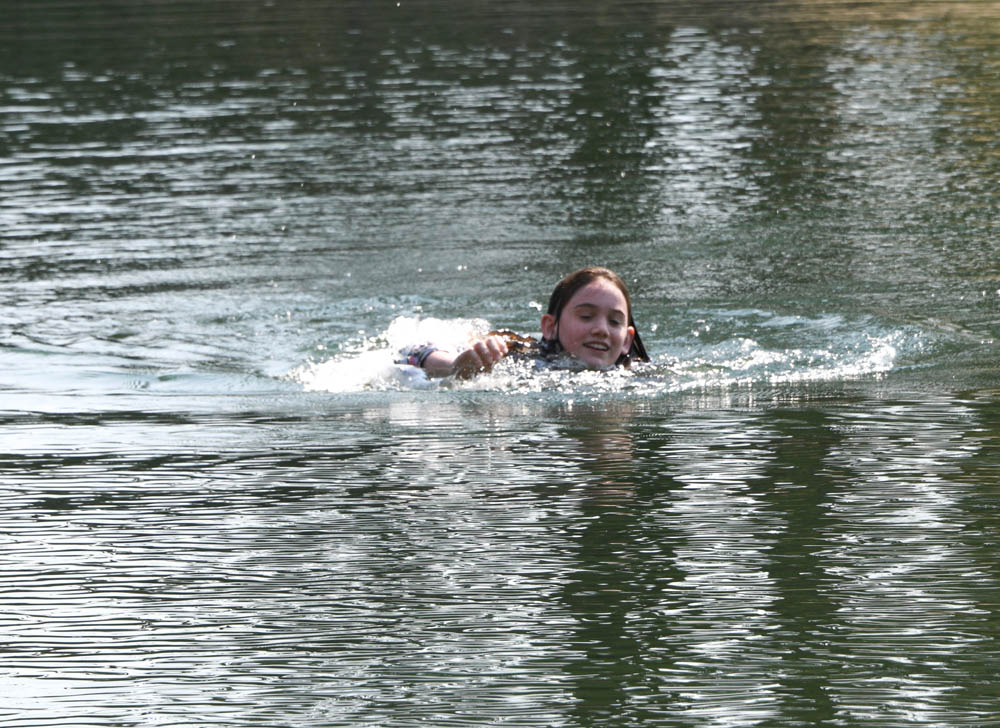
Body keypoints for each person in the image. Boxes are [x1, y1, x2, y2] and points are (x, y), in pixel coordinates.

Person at [398, 266, 649, 378]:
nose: (601, 329)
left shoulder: (643, 379)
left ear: (627, 340)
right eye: (586, 316)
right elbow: (413, 352)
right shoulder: (519, 364)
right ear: (551, 327)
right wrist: (456, 366)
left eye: (614, 322)